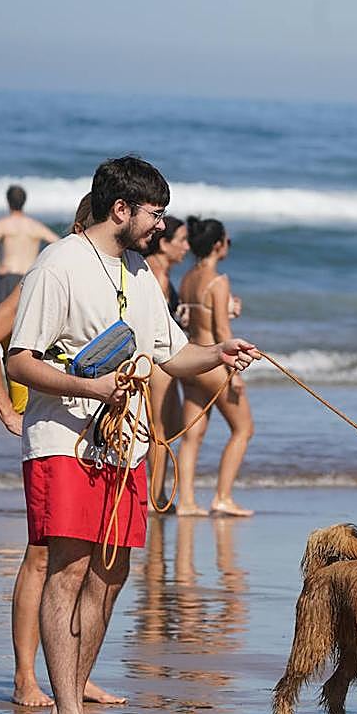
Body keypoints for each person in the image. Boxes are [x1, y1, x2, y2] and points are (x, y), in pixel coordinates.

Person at [6, 156, 260, 714]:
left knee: (111, 574)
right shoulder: (58, 264)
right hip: (64, 439)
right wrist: (92, 388)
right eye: (154, 213)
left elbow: (172, 356)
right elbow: (21, 360)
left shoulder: (141, 272)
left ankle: (67, 711)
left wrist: (220, 352)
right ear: (121, 209)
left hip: (126, 445)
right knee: (67, 569)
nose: (159, 225)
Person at [0, 194, 123, 708]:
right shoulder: (51, 269)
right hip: (49, 428)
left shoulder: (106, 279)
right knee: (42, 557)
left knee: (83, 557)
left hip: (93, 434)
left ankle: (73, 680)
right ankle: (24, 678)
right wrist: (7, 415)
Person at [174, 216, 255, 518]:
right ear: (218, 245)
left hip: (191, 359)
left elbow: (192, 321)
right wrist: (234, 375)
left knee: (192, 436)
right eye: (227, 241)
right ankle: (222, 496)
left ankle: (186, 502)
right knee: (243, 429)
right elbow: (221, 333)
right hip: (214, 364)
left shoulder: (187, 279)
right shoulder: (218, 281)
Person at [143, 216, 189, 509]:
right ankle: (153, 497)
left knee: (168, 429)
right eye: (181, 240)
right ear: (164, 243)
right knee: (157, 432)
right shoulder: (156, 275)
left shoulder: (162, 274)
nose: (186, 246)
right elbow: (153, 324)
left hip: (163, 359)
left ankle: (157, 493)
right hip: (159, 362)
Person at [0, 185, 59, 312]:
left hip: (9, 276)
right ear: (24, 202)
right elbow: (58, 243)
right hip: (29, 278)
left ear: (8, 201)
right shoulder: (35, 226)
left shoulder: (2, 224)